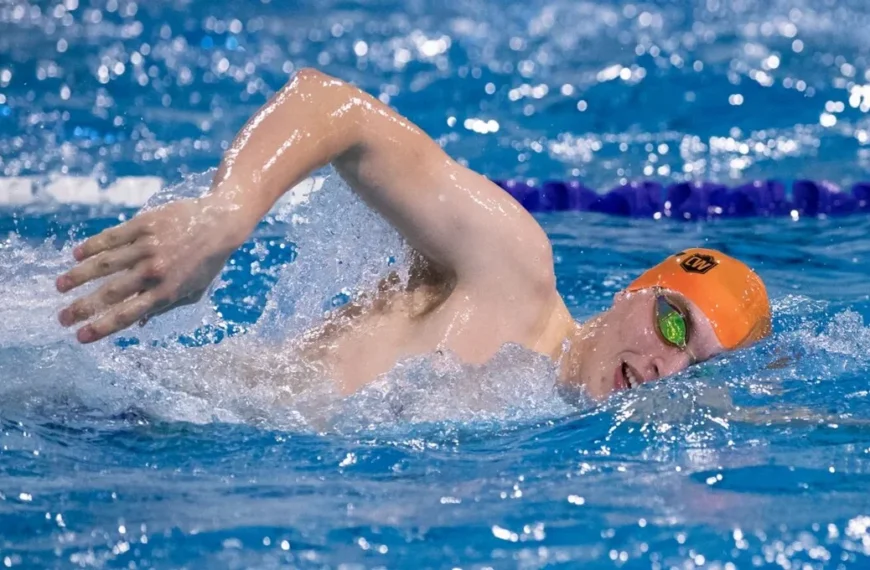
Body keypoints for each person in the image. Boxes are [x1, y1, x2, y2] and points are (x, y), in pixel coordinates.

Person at [54, 68, 772, 399]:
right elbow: (336, 108)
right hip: (91, 377)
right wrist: (227, 214)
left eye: (696, 364)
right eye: (674, 325)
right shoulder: (513, 271)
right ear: (635, 291)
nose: (664, 367)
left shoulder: (547, 421)